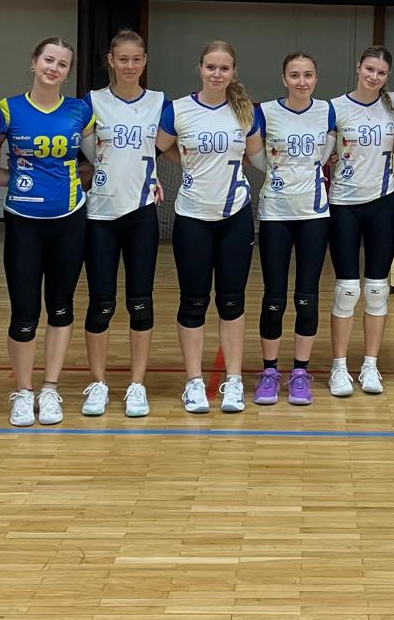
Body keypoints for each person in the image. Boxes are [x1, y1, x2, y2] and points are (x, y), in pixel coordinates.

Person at [0, 37, 95, 428]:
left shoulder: (79, 111)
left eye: (62, 64)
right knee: (24, 311)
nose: (54, 68)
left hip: (69, 219)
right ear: (34, 63)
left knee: (61, 306)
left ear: (68, 71)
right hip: (23, 221)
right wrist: (22, 179)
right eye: (48, 60)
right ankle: (23, 391)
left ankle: (50, 388)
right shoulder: (8, 109)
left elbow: (97, 162)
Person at [158, 40, 259, 415]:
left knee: (232, 300)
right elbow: (163, 148)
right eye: (211, 67)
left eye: (224, 68)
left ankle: (233, 380)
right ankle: (194, 382)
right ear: (200, 68)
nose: (217, 74)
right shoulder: (178, 110)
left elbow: (257, 156)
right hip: (192, 218)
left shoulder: (247, 112)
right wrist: (190, 164)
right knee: (193, 301)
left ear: (233, 72)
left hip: (235, 217)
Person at [81, 30, 168, 419]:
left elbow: (167, 148)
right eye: (122, 59)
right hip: (100, 215)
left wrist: (151, 175)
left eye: (136, 59)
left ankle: (136, 384)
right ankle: (98, 383)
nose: (129, 66)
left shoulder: (159, 103)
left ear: (144, 61)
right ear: (110, 61)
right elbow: (88, 155)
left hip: (141, 213)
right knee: (101, 303)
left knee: (140, 302)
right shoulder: (92, 102)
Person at [252, 52, 336, 408]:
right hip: (275, 213)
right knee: (274, 297)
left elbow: (327, 152)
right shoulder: (266, 111)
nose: (302, 81)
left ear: (316, 78)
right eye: (295, 75)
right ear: (283, 79)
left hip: (314, 214)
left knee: (307, 296)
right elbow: (256, 156)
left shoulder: (328, 111)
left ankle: (300, 372)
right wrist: (279, 175)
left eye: (308, 75)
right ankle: (270, 371)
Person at [328, 45, 394, 397]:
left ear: (387, 77)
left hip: (382, 202)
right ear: (358, 68)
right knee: (347, 290)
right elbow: (323, 151)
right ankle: (339, 367)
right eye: (369, 69)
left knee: (377, 289)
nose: (374, 77)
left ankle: (370, 365)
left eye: (381, 73)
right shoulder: (335, 108)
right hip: (344, 204)